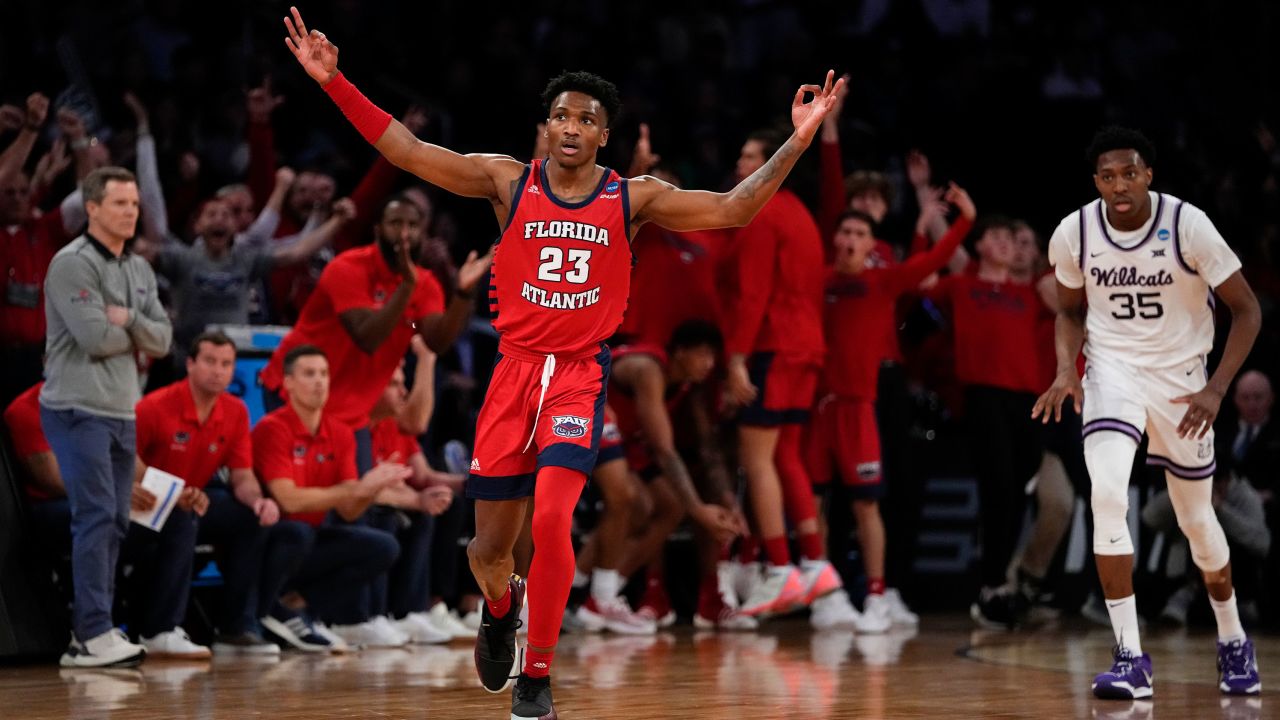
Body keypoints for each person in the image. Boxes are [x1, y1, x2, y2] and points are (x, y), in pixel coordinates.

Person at [284, 8, 843, 717]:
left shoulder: (631, 198)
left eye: (586, 118)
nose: (572, 127)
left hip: (579, 375)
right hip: (512, 374)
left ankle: (537, 677)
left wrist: (796, 141)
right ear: (545, 127)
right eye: (561, 116)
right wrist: (335, 83)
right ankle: (498, 606)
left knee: (552, 522)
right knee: (489, 551)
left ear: (604, 135)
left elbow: (733, 208)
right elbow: (407, 150)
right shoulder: (506, 182)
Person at [1034, 126, 1263, 698]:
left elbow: (1248, 310)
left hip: (1185, 383)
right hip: (1112, 373)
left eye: (1130, 173)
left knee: (1197, 524)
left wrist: (1215, 389)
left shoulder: (1188, 225)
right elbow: (1068, 311)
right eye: (1108, 176)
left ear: (1148, 176)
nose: (1120, 185)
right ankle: (1130, 656)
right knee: (1108, 494)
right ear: (1096, 182)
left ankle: (1232, 637)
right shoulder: (1075, 232)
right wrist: (1068, 369)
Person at [809, 186, 975, 631]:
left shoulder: (884, 281)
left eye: (859, 233)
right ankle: (825, 595)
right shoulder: (819, 281)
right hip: (818, 412)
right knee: (815, 504)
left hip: (860, 409)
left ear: (871, 245)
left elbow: (936, 259)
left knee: (867, 506)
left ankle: (878, 596)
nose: (849, 238)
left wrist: (965, 221)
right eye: (844, 230)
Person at [40, 166, 172, 667]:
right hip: (77, 408)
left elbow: (163, 339)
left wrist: (132, 321)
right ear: (91, 208)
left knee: (117, 519)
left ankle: (96, 630)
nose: (131, 212)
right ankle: (91, 632)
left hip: (122, 409)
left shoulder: (137, 269)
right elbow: (95, 340)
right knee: (96, 517)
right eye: (120, 204)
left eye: (135, 204)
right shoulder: (71, 264)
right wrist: (138, 333)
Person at [259, 192, 488, 474]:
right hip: (295, 394)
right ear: (377, 230)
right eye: (395, 223)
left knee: (355, 509)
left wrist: (463, 294)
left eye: (413, 226)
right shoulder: (347, 268)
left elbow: (436, 340)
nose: (404, 233)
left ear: (424, 234)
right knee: (300, 503)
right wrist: (406, 288)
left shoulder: (426, 284)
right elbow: (367, 338)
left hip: (353, 413)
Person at [722, 129, 842, 619]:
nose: (741, 162)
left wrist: (735, 358)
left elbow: (753, 294)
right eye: (742, 153)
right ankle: (815, 563)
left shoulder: (762, 210)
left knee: (757, 460)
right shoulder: (801, 213)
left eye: (752, 154)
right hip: (807, 347)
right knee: (787, 455)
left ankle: (778, 567)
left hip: (774, 343)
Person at [130, 331, 283, 657]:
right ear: (190, 364)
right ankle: (159, 630)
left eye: (226, 364)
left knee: (251, 518)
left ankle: (235, 627)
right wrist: (173, 492)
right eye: (210, 361)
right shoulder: (154, 406)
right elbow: (128, 462)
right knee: (184, 515)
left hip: (193, 500)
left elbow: (242, 476)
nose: (218, 370)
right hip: (146, 504)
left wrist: (259, 500)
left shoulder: (236, 411)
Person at [252, 345, 412, 647]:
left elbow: (350, 511)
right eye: (309, 374)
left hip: (313, 538)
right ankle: (265, 609)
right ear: (287, 383)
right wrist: (353, 489)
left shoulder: (340, 432)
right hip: (271, 539)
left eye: (324, 374)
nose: (319, 382)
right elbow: (288, 500)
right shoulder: (272, 428)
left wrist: (369, 490)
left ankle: (297, 608)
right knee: (296, 533)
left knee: (383, 546)